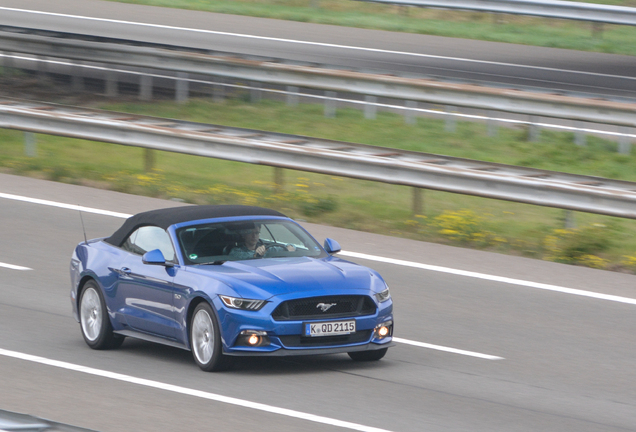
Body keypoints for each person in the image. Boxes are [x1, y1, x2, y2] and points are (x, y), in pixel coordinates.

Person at [228, 223, 295, 260]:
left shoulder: (266, 249)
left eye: (257, 233)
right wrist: (256, 254)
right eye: (250, 232)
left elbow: (291, 246)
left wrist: (290, 247)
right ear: (244, 235)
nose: (254, 236)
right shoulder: (236, 251)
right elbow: (246, 257)